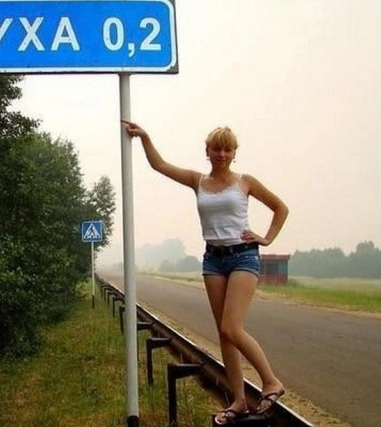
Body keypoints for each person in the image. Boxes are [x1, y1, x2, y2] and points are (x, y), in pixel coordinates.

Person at [122, 120, 289, 425]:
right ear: (207, 151)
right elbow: (160, 165)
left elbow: (281, 208)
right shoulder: (197, 181)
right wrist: (145, 137)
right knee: (224, 334)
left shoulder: (245, 182)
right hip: (213, 260)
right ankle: (238, 401)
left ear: (234, 153)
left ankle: (271, 381)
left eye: (228, 149)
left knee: (232, 328)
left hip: (243, 257)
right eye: (217, 149)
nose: (222, 154)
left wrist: (266, 238)